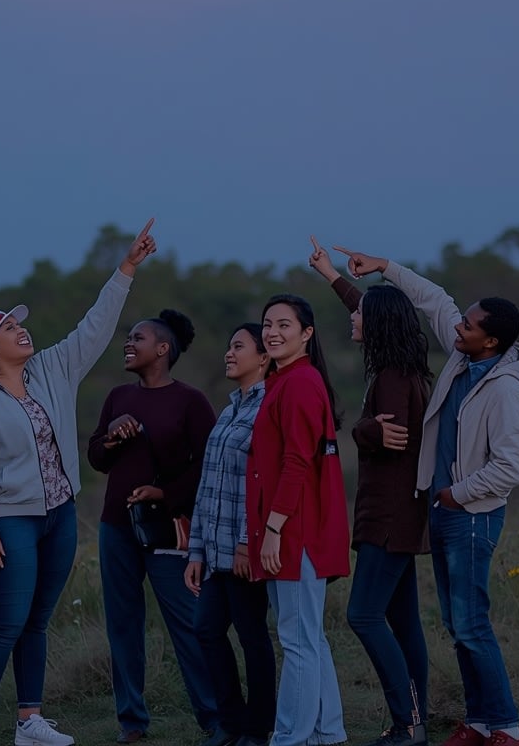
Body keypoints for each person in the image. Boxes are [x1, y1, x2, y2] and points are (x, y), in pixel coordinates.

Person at [0, 220, 157, 746]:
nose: (21, 329)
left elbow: (95, 325)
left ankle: (29, 721)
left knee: (39, 620)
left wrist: (126, 268)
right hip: (9, 521)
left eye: (18, 323)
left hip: (59, 514)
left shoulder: (53, 369)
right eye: (7, 329)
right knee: (8, 619)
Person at [332, 246, 519, 746]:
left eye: (468, 325)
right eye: (462, 322)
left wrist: (455, 493)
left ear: (491, 340)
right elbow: (433, 300)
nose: (457, 326)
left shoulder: (507, 390)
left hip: (471, 515)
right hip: (442, 509)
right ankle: (480, 720)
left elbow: (511, 466)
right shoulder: (464, 360)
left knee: (470, 624)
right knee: (454, 623)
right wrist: (385, 268)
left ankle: (505, 724)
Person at [308, 238, 432, 746]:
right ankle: (414, 719)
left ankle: (407, 721)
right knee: (404, 622)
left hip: (389, 515)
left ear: (378, 327)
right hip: (401, 514)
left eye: (361, 317)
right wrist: (330, 274)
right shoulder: (401, 368)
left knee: (363, 614)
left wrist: (362, 431)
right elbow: (366, 305)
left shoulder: (393, 381)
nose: (353, 319)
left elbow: (389, 438)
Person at [87, 308, 220, 746]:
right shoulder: (118, 397)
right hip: (116, 527)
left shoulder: (190, 401)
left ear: (162, 349)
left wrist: (164, 494)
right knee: (123, 624)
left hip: (167, 530)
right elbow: (97, 457)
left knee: (188, 623)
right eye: (128, 338)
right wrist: (110, 434)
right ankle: (132, 722)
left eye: (137, 338)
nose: (128, 343)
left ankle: (215, 718)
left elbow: (208, 466)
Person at [247, 293, 350, 746]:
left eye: (284, 325)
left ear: (306, 334)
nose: (272, 332)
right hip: (293, 528)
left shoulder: (301, 383)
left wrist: (273, 530)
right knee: (309, 637)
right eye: (268, 324)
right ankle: (327, 733)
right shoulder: (283, 381)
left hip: (296, 532)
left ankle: (290, 736)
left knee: (297, 640)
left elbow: (297, 464)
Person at [185, 324, 276, 746]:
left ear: (263, 358)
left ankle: (258, 728)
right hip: (214, 552)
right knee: (205, 630)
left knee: (252, 637)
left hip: (244, 552)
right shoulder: (228, 412)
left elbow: (260, 485)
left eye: (238, 346)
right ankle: (231, 721)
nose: (228, 353)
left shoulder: (267, 409)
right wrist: (196, 551)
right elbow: (208, 487)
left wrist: (246, 542)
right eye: (228, 345)